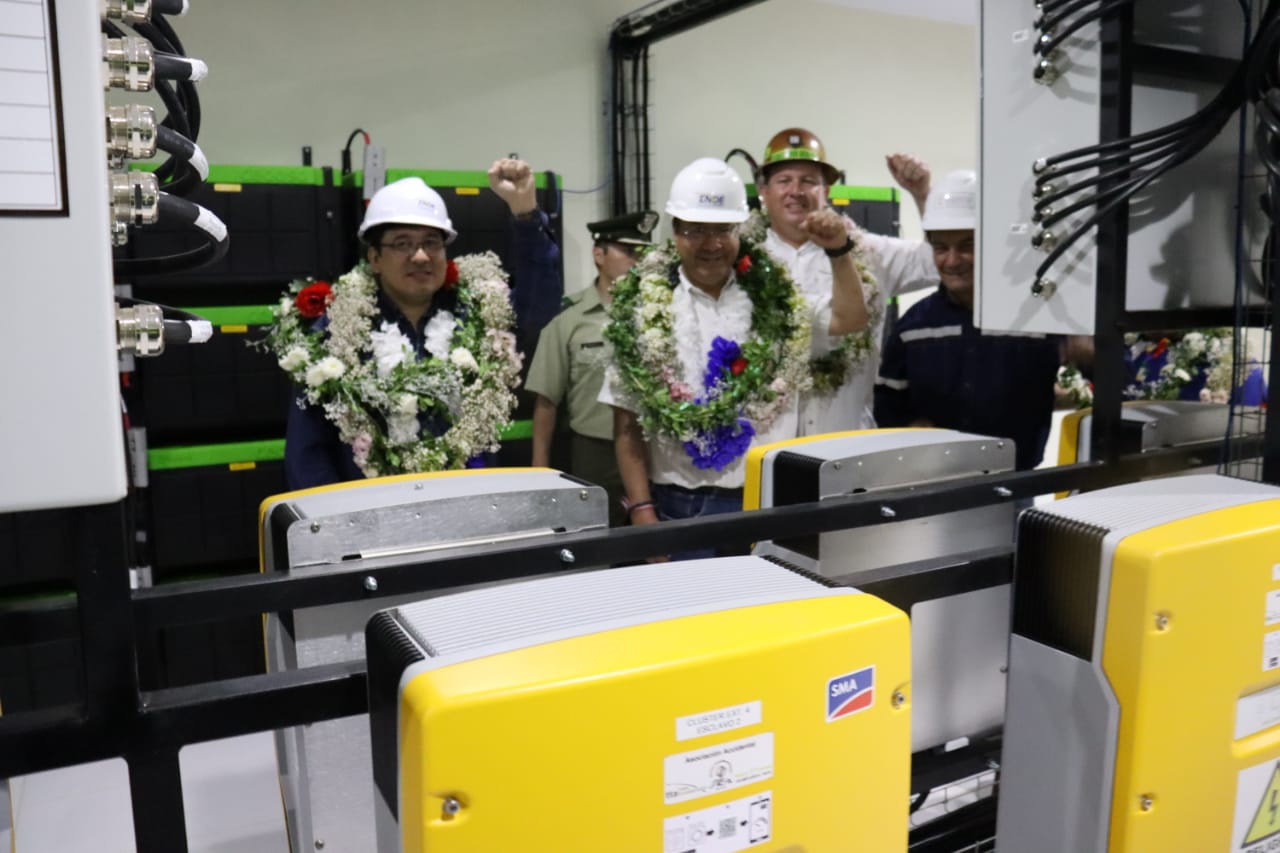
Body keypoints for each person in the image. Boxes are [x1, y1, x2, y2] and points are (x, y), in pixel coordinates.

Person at [599, 157, 869, 555]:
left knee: (767, 616)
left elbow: (850, 319)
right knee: (693, 618)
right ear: (674, 232)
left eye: (723, 230)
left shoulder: (779, 300)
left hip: (770, 500)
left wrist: (838, 251)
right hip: (680, 507)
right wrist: (642, 514)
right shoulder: (642, 310)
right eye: (695, 230)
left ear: (740, 230)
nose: (711, 244)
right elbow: (626, 425)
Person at [280, 159, 560, 490]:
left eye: (432, 242)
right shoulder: (336, 332)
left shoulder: (480, 316)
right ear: (375, 258)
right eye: (402, 243)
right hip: (371, 513)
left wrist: (525, 212)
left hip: (467, 501)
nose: (421, 256)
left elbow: (539, 304)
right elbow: (308, 450)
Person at [873, 170, 1065, 471]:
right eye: (941, 248)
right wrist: (909, 424)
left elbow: (1089, 376)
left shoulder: (1036, 319)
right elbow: (887, 399)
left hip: (1014, 483)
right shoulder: (914, 327)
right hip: (932, 479)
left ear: (991, 245)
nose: (952, 260)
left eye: (966, 246)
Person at [754, 128, 939, 435]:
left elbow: (937, 261)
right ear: (764, 191)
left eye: (809, 181)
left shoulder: (870, 253)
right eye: (784, 180)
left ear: (826, 190)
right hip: (762, 442)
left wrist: (923, 194)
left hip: (846, 437)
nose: (796, 190)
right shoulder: (740, 261)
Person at [525, 210, 658, 526]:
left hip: (655, 452)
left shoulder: (660, 314)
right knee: (600, 548)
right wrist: (539, 472)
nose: (638, 261)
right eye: (628, 252)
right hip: (595, 454)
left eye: (644, 253)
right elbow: (547, 402)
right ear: (599, 254)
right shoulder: (570, 320)